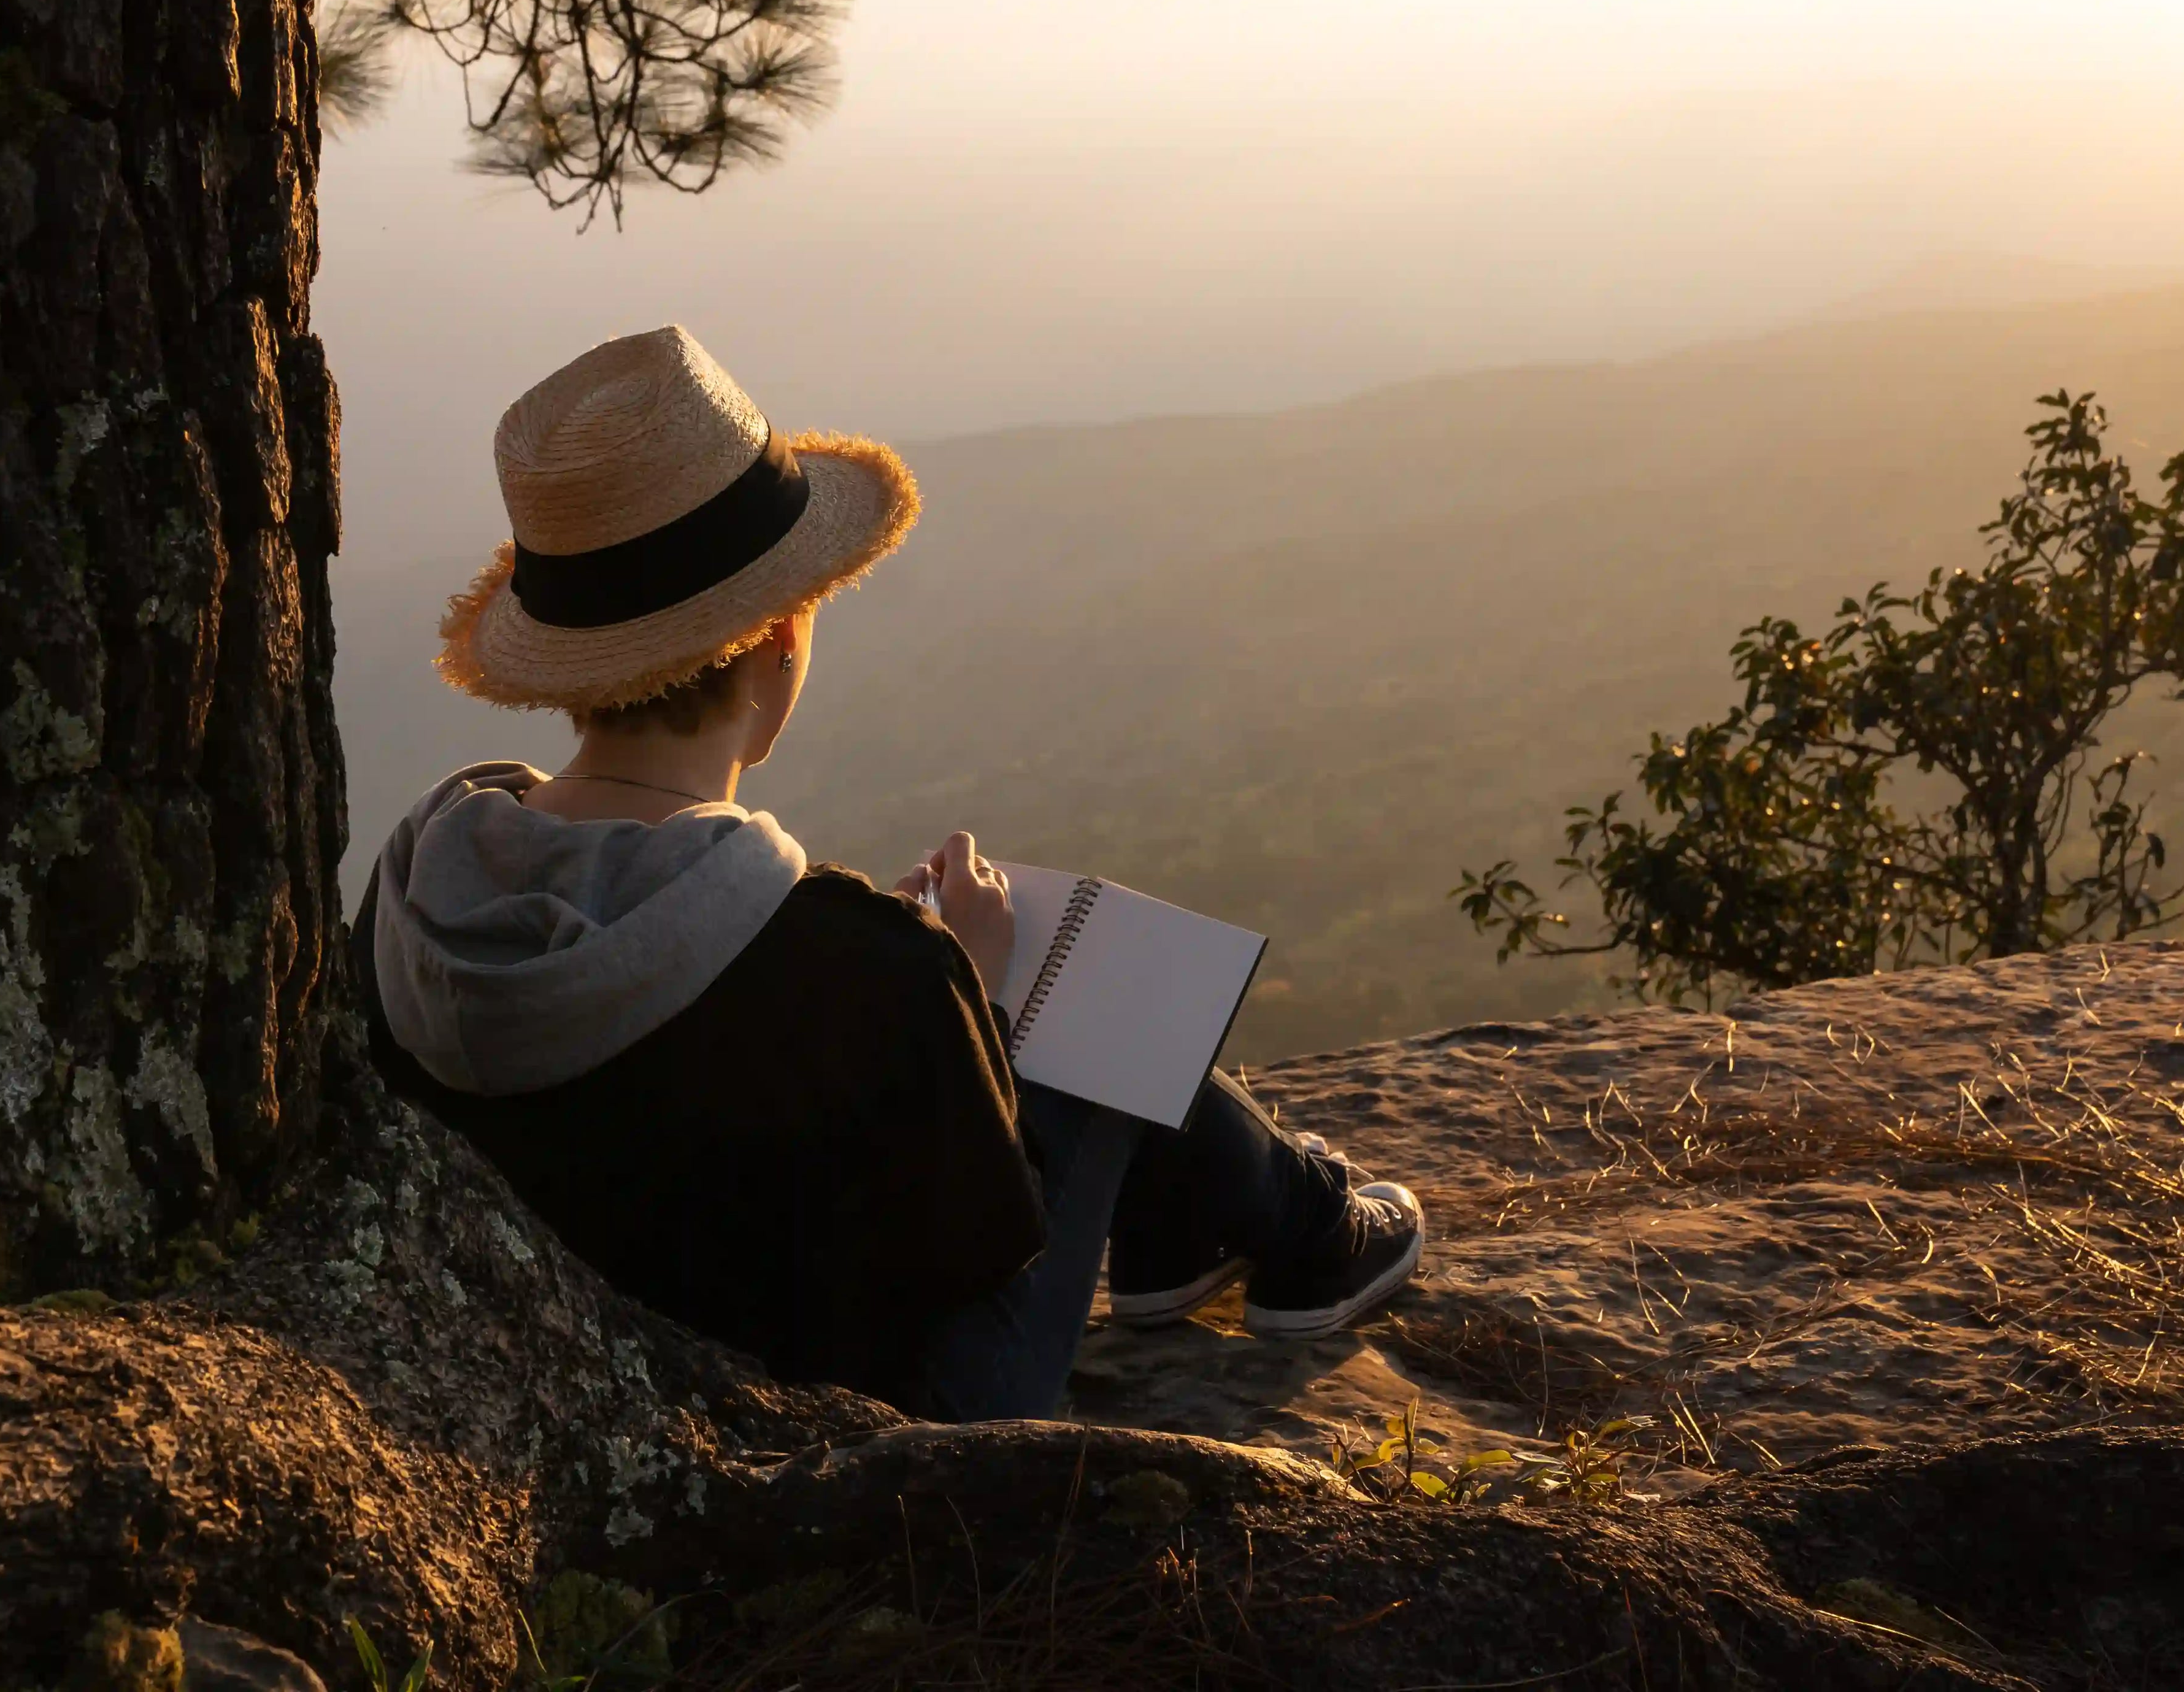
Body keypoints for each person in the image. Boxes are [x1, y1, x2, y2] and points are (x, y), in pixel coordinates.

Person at [348, 325, 1425, 1421]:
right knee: (1084, 968)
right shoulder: (854, 957)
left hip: (577, 1373)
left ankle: (1198, 1234)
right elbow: (977, 1236)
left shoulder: (417, 902)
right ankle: (1309, 1228)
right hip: (889, 1403)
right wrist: (975, 995)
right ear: (780, 637)